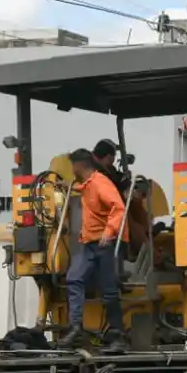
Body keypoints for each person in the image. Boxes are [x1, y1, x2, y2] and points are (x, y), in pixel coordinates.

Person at [65, 148, 127, 349]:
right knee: (74, 279)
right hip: (88, 243)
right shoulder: (89, 184)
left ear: (78, 165)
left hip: (103, 244)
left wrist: (108, 233)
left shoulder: (101, 183)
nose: (71, 169)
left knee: (108, 291)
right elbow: (84, 190)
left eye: (72, 165)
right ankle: (75, 328)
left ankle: (118, 336)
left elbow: (118, 207)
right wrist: (66, 187)